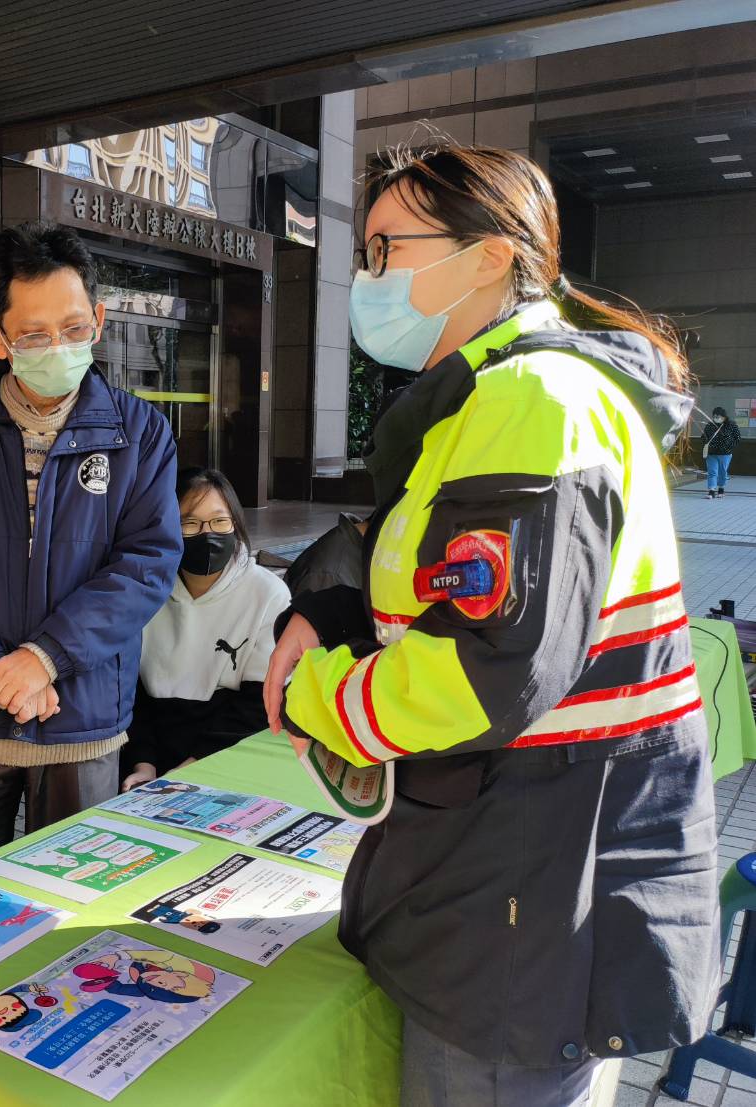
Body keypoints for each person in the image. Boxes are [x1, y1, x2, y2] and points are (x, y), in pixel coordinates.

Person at [264, 144, 718, 1107]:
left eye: (385, 248)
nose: (365, 277)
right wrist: (324, 606)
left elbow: (479, 675)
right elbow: (421, 560)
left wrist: (313, 698)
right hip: (508, 875)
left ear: (483, 257)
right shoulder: (496, 395)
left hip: (524, 903)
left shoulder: (530, 400)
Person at [0, 220, 182, 875]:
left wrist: (44, 659)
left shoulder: (139, 432)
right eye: (34, 334)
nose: (59, 347)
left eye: (75, 328)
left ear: (99, 319)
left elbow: (145, 565)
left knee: (71, 928)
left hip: (80, 723)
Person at [121, 467, 292, 791]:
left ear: (236, 524)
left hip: (233, 759)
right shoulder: (147, 590)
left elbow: (259, 705)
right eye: (190, 522)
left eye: (219, 521)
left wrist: (188, 770)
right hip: (154, 761)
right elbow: (132, 695)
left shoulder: (268, 595)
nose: (207, 533)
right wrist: (144, 764)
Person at [702, 405, 739, 498]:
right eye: (714, 416)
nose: (716, 418)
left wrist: (729, 447)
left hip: (725, 454)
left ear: (724, 417)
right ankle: (711, 491)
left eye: (718, 416)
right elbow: (703, 437)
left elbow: (737, 438)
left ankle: (721, 489)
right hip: (711, 453)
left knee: (723, 472)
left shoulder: (731, 425)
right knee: (712, 472)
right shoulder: (710, 425)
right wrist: (707, 443)